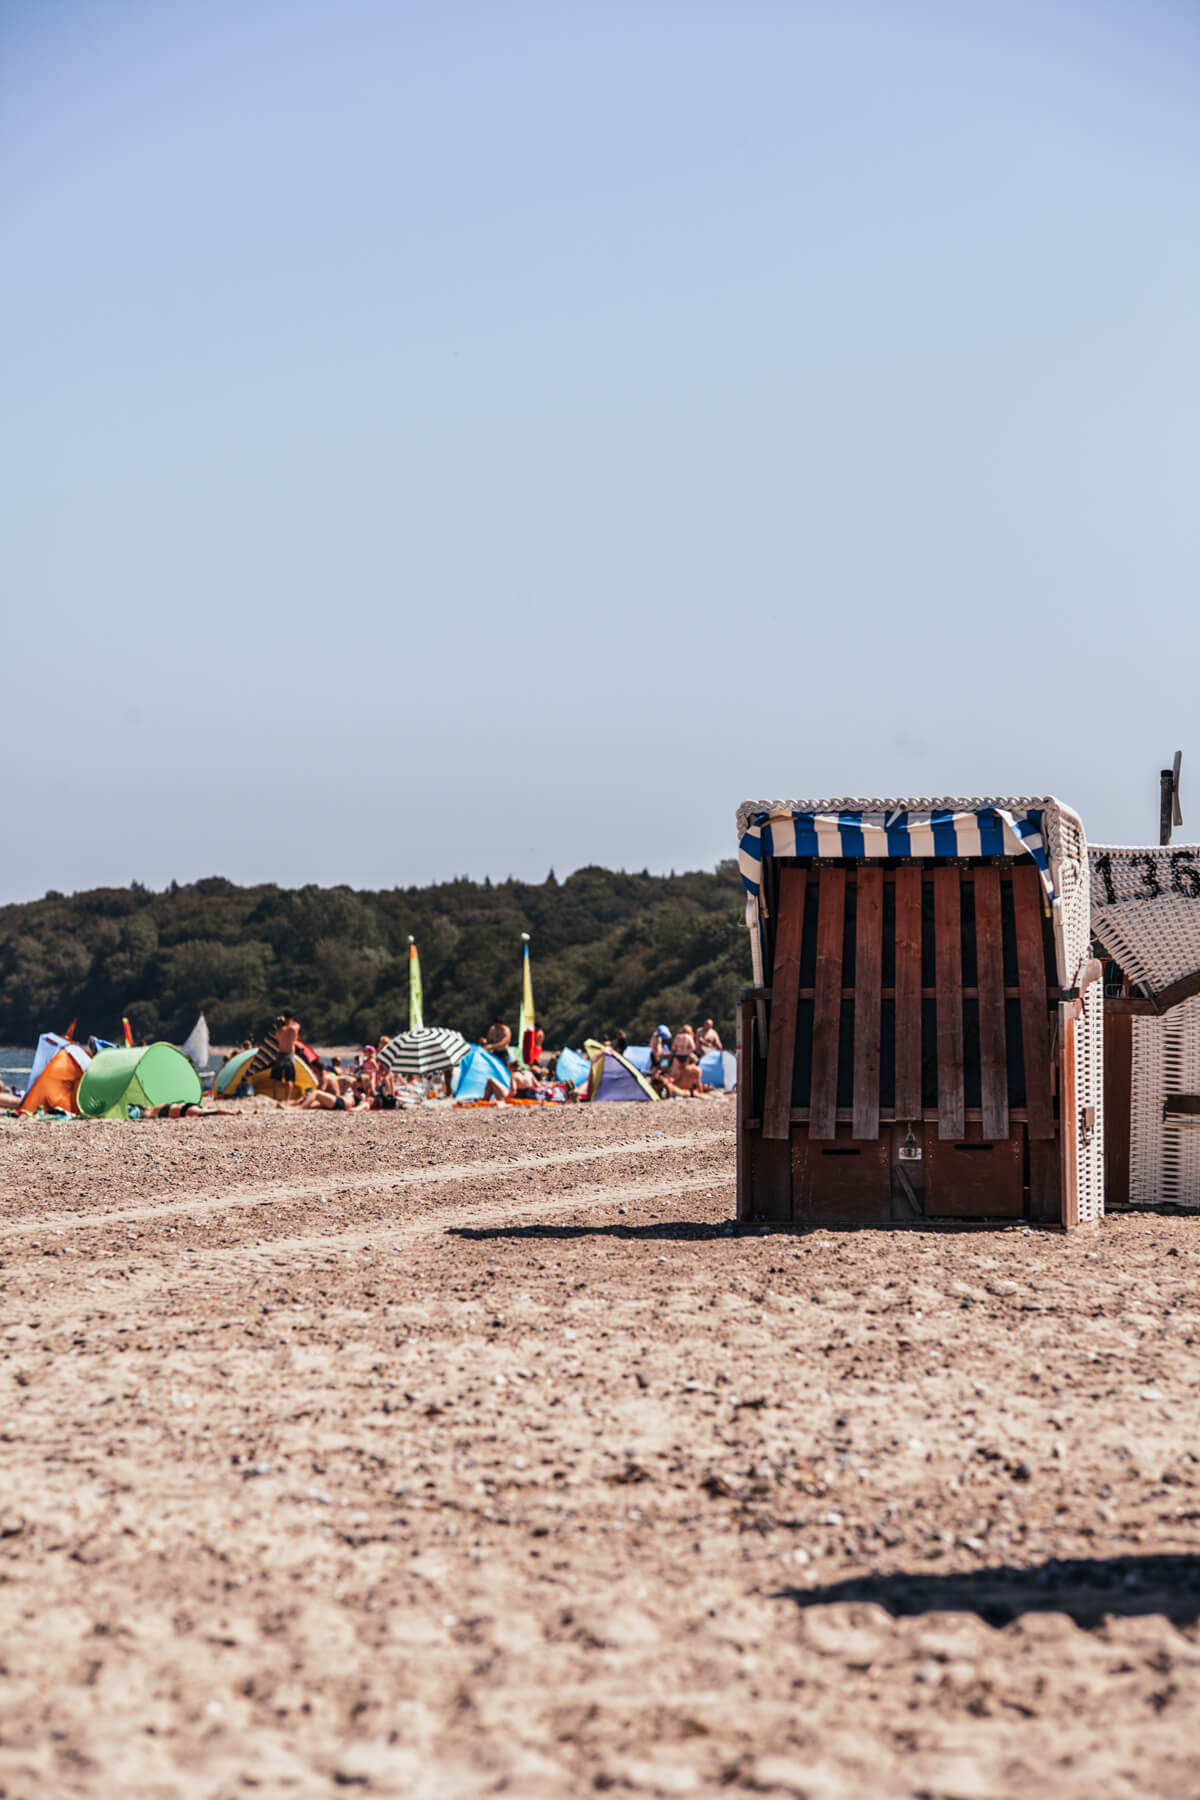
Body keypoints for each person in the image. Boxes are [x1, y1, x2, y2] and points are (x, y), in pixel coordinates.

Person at [271, 1012, 302, 1102]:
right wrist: (290, 1021)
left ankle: (275, 1098)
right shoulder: (293, 1028)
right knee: (289, 1078)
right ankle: (287, 1099)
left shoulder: (279, 1030)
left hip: (280, 1053)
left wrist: (282, 1021)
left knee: (276, 1078)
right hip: (289, 1054)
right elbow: (297, 1025)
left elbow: (278, 1036)